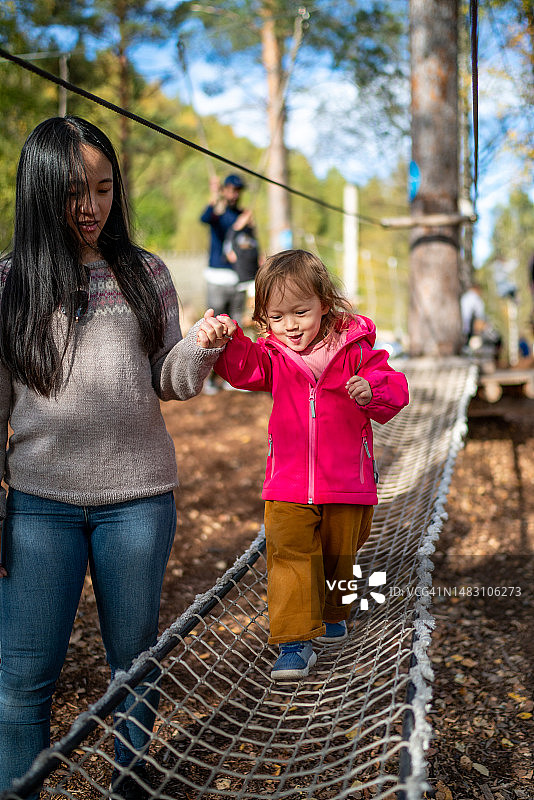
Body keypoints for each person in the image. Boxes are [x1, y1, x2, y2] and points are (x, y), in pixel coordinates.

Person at [0, 116, 231, 800]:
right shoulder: (10, 282)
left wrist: (201, 346)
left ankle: (129, 786)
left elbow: (167, 375)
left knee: (134, 665)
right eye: (74, 191)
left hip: (138, 503)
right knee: (22, 677)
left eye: (103, 189)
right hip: (39, 507)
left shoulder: (145, 271)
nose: (91, 206)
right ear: (40, 191)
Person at [209, 249, 409, 681]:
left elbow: (395, 387)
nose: (291, 326)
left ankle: (335, 610)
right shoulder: (274, 355)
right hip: (287, 482)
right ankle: (294, 643)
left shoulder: (356, 351)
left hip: (347, 481)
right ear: (264, 318)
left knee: (340, 554)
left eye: (301, 312)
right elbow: (243, 370)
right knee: (289, 555)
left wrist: (370, 388)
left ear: (325, 303)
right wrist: (229, 340)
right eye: (277, 317)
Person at [200, 173, 250, 393]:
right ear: (224, 190)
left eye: (237, 190)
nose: (234, 193)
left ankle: (233, 377)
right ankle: (210, 379)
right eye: (230, 189)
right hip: (217, 277)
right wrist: (213, 196)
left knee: (235, 328)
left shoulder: (244, 216)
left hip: (237, 279)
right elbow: (205, 218)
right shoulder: (219, 214)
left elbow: (247, 245)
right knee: (215, 328)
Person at [460, 281, 501, 359]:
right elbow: (479, 316)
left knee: (469, 344)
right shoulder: (476, 299)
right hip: (473, 326)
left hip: (466, 326)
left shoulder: (464, 297)